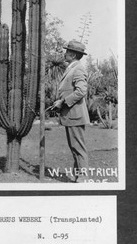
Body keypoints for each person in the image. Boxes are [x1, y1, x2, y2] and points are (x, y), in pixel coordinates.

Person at [53, 40, 90, 183]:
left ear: (73, 54)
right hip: (72, 115)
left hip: (75, 115)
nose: (65, 53)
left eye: (67, 51)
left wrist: (62, 102)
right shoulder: (72, 68)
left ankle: (83, 176)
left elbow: (81, 91)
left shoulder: (78, 69)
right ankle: (77, 175)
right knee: (74, 146)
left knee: (78, 146)